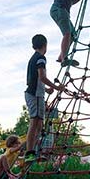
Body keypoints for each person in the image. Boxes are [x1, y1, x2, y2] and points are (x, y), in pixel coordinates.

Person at [24, 34, 64, 162]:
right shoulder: (41, 58)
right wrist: (57, 88)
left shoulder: (33, 59)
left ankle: (36, 151)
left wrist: (46, 89)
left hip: (37, 94)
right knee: (35, 122)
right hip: (34, 95)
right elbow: (42, 77)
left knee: (40, 124)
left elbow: (33, 80)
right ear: (45, 45)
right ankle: (29, 153)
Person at [50, 0, 90, 67]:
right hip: (59, 9)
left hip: (64, 11)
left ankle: (61, 56)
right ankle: (64, 58)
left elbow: (72, 1)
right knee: (67, 33)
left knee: (72, 34)